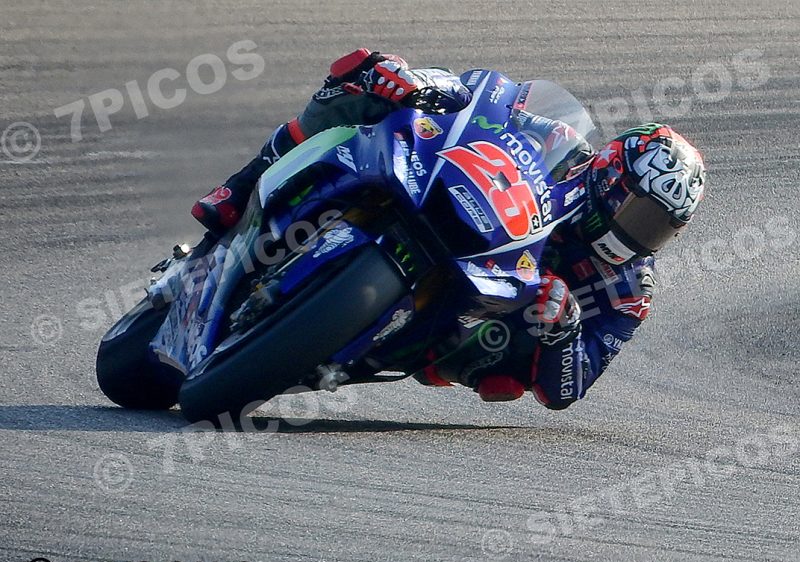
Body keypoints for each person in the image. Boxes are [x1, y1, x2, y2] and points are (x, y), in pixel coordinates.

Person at [192, 49, 707, 410]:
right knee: (365, 90)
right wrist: (420, 85)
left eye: (660, 227)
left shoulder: (629, 287)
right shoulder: (563, 143)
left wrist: (565, 328)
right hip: (449, 202)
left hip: (472, 314)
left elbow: (571, 388)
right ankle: (239, 189)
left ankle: (344, 342)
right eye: (641, 212)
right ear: (611, 175)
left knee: (506, 369)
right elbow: (486, 96)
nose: (642, 233)